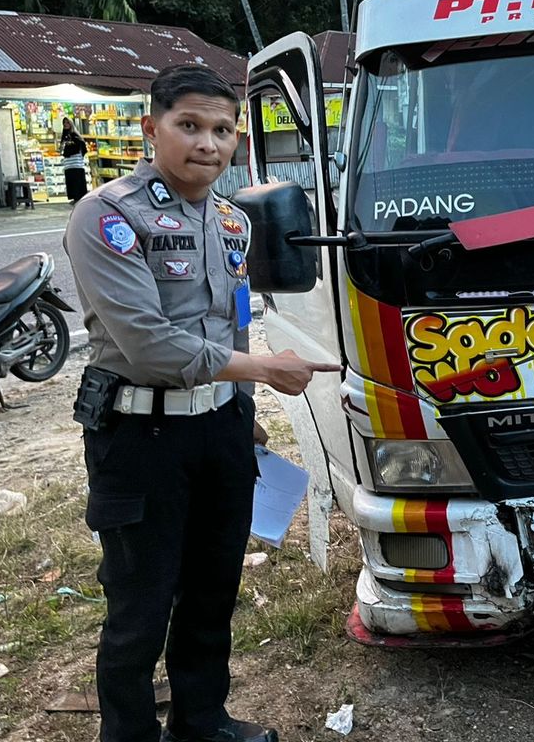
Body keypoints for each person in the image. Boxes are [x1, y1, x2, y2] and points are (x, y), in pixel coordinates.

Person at [64, 64, 338, 742]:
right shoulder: (108, 216)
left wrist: (242, 413)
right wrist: (267, 371)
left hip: (220, 429)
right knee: (140, 606)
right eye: (189, 126)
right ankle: (128, 735)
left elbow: (232, 323)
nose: (208, 143)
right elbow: (152, 345)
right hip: (139, 435)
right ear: (152, 128)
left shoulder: (231, 221)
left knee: (212, 591)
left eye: (222, 129)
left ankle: (202, 722)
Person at [60, 117, 89, 204]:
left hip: (76, 163)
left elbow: (81, 146)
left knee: (77, 180)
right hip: (68, 163)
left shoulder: (75, 135)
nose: (65, 125)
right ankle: (74, 198)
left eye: (67, 123)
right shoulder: (65, 136)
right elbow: (62, 147)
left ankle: (78, 198)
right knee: (71, 180)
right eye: (64, 123)